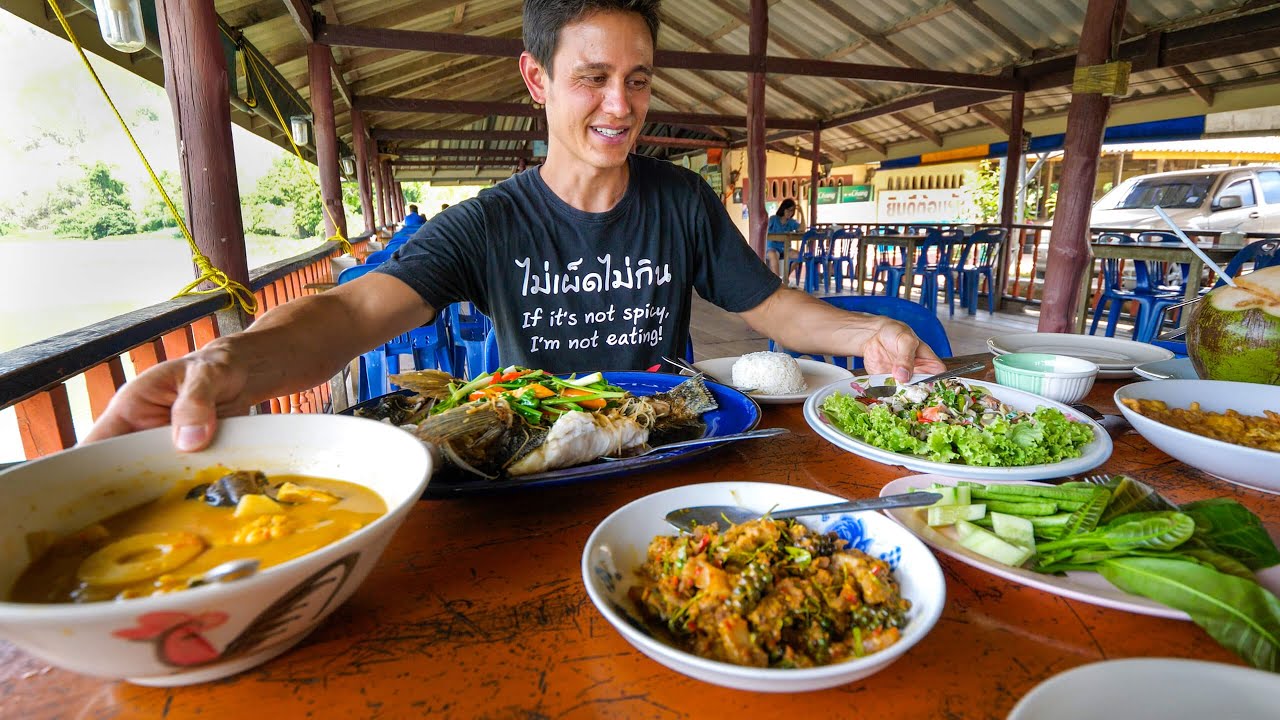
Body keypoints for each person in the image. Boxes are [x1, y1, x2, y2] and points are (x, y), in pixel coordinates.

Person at [86, 0, 944, 452]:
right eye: (593, 78)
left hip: (672, 443)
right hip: (541, 454)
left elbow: (771, 307)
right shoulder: (489, 223)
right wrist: (230, 361)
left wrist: (869, 330)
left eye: (639, 80)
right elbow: (350, 315)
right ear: (537, 78)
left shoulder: (681, 201)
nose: (621, 106)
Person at [766, 198, 801, 276]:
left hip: (785, 249)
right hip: (772, 248)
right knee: (773, 255)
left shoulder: (791, 222)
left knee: (799, 256)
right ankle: (777, 281)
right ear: (783, 209)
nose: (789, 212)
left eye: (792, 210)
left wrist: (801, 213)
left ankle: (785, 278)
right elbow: (765, 230)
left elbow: (802, 228)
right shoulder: (773, 219)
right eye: (788, 210)